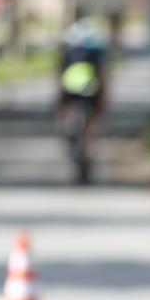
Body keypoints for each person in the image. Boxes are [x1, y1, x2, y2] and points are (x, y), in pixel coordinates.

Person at [57, 17, 108, 184]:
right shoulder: (96, 53)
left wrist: (60, 106)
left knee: (71, 121)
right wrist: (103, 103)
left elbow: (60, 79)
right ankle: (89, 147)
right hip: (91, 92)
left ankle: (71, 134)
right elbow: (102, 79)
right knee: (91, 125)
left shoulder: (69, 52)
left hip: (70, 92)